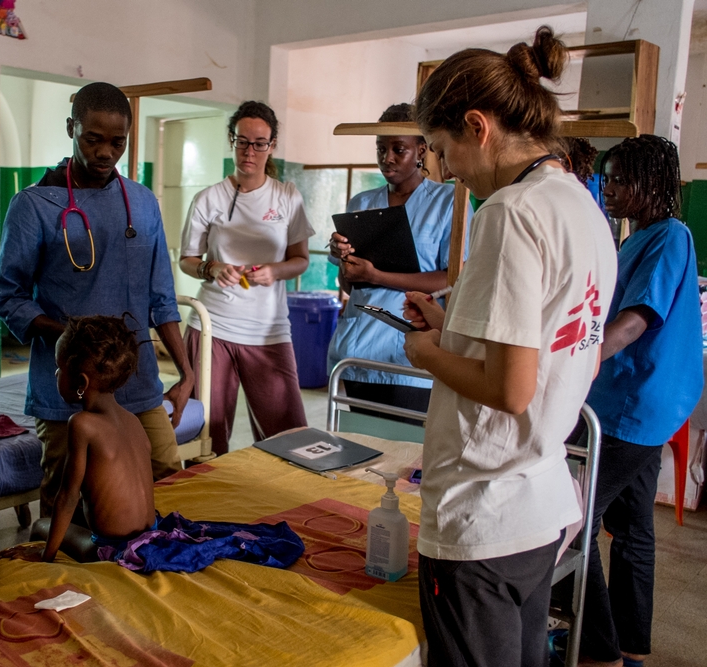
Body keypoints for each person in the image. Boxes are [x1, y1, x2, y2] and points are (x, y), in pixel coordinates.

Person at [401, 26, 618, 667]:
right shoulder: (578, 205)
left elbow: (509, 388)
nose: (449, 174)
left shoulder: (509, 212)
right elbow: (546, 345)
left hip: (481, 514)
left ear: (477, 126)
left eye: (443, 152)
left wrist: (427, 353)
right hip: (539, 502)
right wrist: (450, 327)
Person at [0, 82, 195, 521]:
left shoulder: (141, 202)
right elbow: (5, 293)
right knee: (66, 497)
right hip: (68, 387)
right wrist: (70, 335)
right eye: (93, 139)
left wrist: (186, 370)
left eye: (117, 142)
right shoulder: (34, 205)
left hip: (136, 383)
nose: (106, 152)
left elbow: (161, 297)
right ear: (71, 128)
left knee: (167, 480)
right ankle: (53, 584)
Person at [579, 136, 703, 667]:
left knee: (572, 522)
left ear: (654, 184)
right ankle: (628, 648)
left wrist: (576, 362)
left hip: (633, 407)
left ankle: (597, 647)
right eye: (606, 178)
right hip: (640, 406)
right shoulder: (636, 238)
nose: (609, 189)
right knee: (633, 530)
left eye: (620, 179)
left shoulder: (669, 236)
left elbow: (634, 321)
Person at [178, 101, 313, 455]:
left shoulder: (287, 197)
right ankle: (204, 506)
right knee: (207, 434)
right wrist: (212, 268)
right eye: (242, 141)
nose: (249, 151)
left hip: (268, 331)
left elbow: (301, 259)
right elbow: (187, 261)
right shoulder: (209, 199)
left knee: (290, 434)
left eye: (259, 143)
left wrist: (275, 270)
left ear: (272, 146)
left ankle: (285, 505)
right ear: (231, 140)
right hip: (213, 327)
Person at [327, 103, 465, 421]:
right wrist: (343, 262)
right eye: (381, 148)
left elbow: (452, 278)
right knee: (361, 446)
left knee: (406, 455)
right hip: (359, 350)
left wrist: (378, 276)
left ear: (421, 150)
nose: (387, 158)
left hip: (412, 353)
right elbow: (350, 285)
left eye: (398, 149)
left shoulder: (448, 203)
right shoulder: (361, 203)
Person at [31, 315, 157, 563]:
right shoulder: (133, 420)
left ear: (81, 382)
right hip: (150, 539)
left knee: (39, 526)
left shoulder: (81, 424)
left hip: (113, 552)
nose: (56, 373)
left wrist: (47, 557)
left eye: (60, 368)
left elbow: (68, 497)